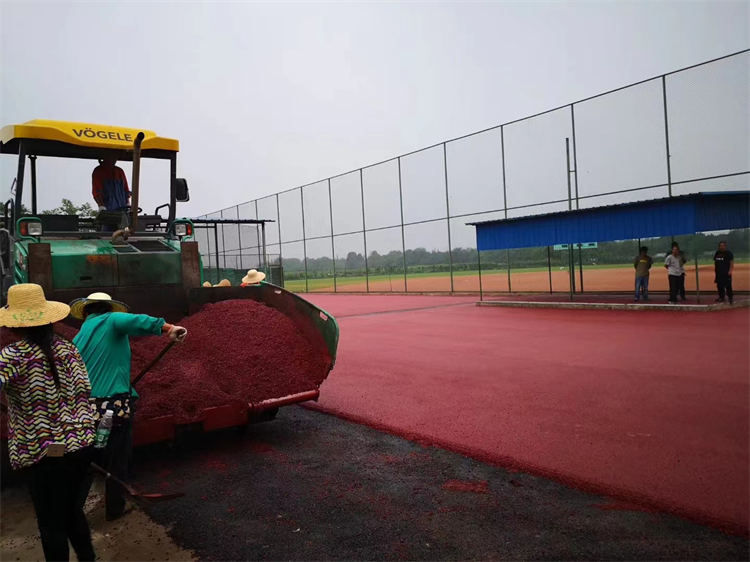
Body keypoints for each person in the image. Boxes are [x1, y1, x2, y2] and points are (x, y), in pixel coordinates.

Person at [69, 292, 187, 521]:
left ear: (86, 312)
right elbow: (135, 321)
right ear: (108, 309)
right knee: (117, 457)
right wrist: (168, 328)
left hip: (87, 408)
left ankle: (72, 509)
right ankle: (115, 508)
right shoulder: (112, 320)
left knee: (91, 454)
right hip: (113, 406)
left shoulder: (80, 335)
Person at [0, 284, 96, 561]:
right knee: (72, 513)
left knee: (51, 522)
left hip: (43, 455)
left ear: (14, 323)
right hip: (80, 447)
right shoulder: (68, 349)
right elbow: (84, 390)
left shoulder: (13, 356)